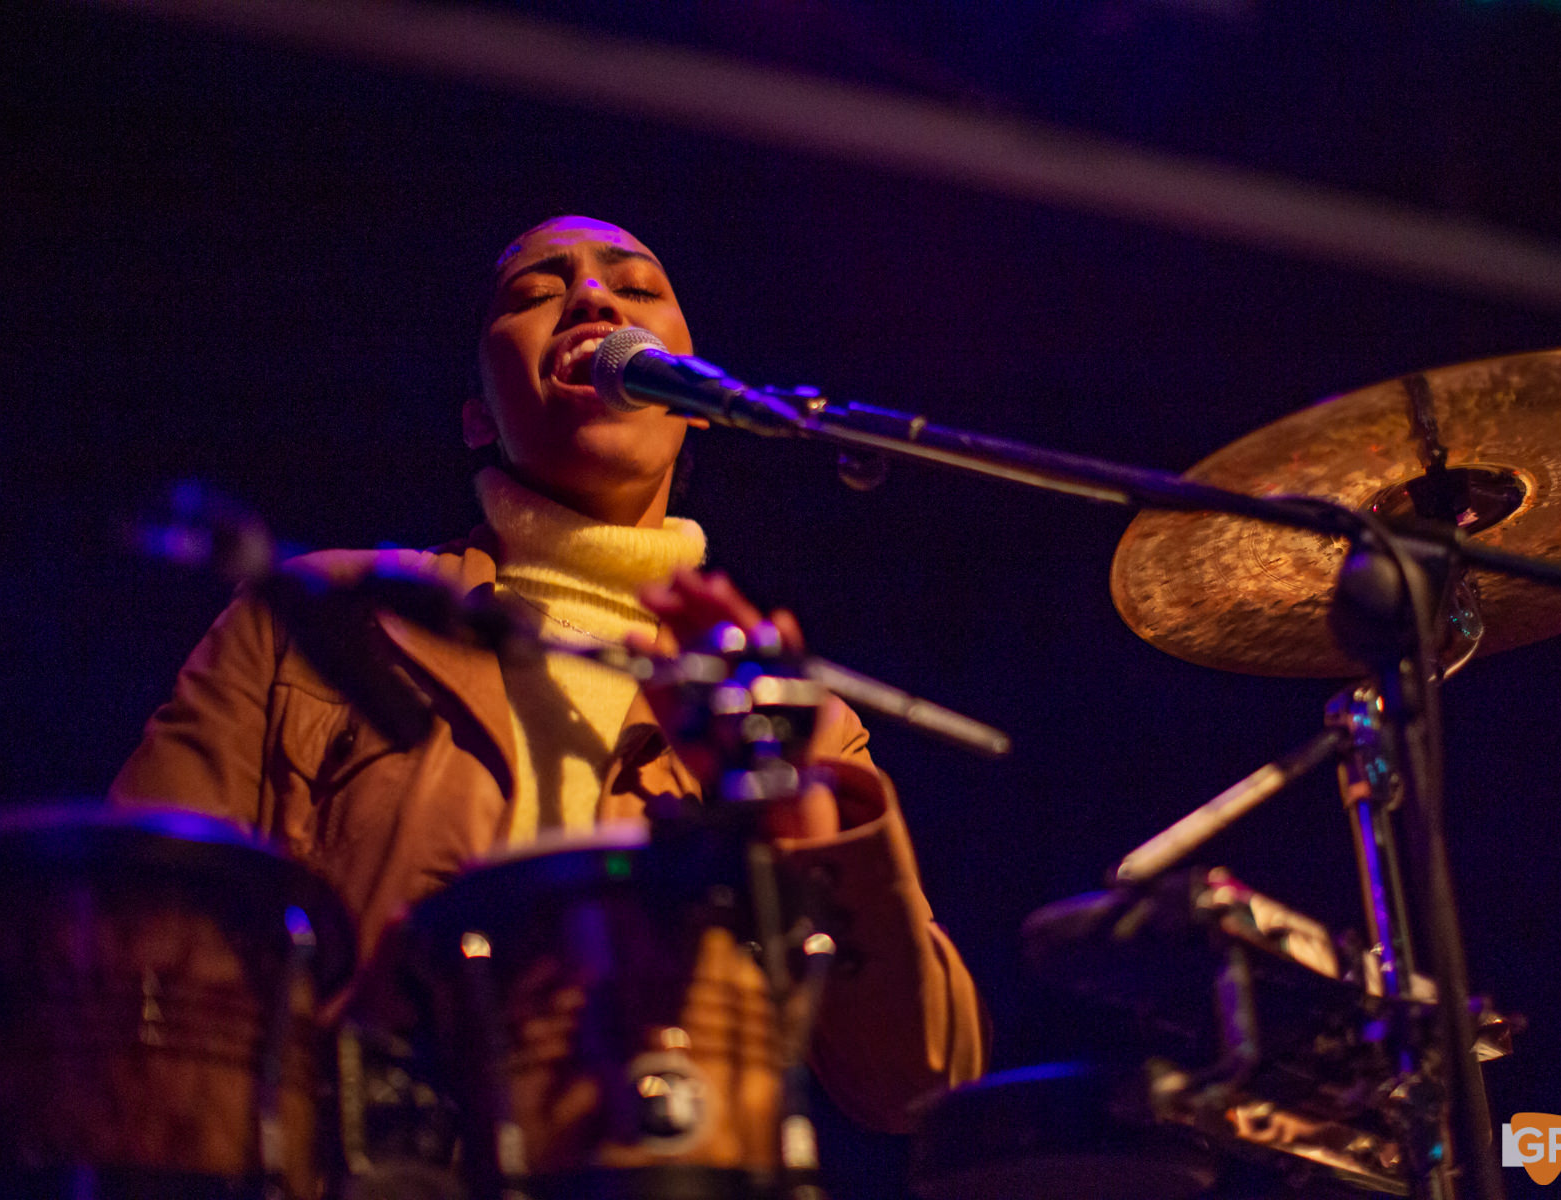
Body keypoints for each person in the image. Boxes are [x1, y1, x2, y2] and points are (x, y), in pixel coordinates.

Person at [109, 215, 988, 1142]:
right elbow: (132, 942)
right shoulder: (321, 615)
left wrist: (788, 794)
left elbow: (919, 1075)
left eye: (635, 289)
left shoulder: (788, 709)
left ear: (697, 402)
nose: (594, 300)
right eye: (536, 294)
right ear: (478, 415)